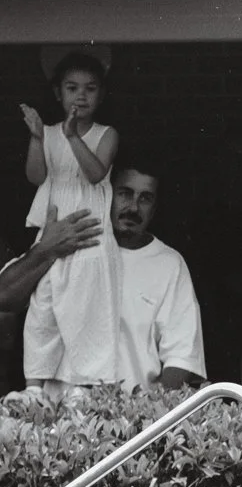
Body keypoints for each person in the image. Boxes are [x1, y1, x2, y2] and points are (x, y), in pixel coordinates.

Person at [26, 158, 205, 390]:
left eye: (145, 198)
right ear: (107, 195)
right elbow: (22, 309)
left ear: (155, 209)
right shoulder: (71, 243)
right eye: (125, 194)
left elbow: (182, 356)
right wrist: (44, 251)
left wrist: (151, 407)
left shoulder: (170, 264)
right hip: (62, 407)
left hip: (134, 409)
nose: (133, 207)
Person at [19, 50, 123, 386]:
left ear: (101, 94)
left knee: (84, 312)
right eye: (72, 88)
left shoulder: (106, 134)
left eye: (90, 88)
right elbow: (36, 177)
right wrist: (38, 137)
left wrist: (73, 135)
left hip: (88, 236)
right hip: (53, 235)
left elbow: (95, 173)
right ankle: (36, 386)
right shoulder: (49, 133)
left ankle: (83, 386)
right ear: (58, 93)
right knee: (43, 309)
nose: (81, 95)